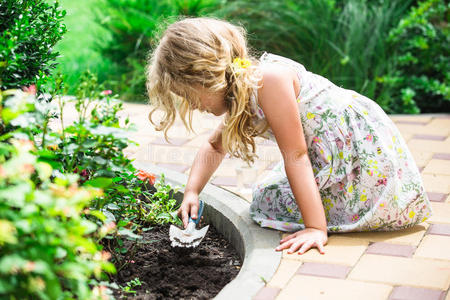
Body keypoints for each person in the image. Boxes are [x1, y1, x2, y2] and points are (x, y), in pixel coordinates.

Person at [145, 17, 432, 255]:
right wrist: (192, 191)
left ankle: (335, 211)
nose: (193, 106)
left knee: (280, 206)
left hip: (359, 151)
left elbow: (296, 155)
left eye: (189, 95)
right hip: (327, 153)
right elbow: (214, 146)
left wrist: (315, 228)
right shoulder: (240, 87)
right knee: (266, 203)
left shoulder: (268, 80)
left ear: (208, 77)